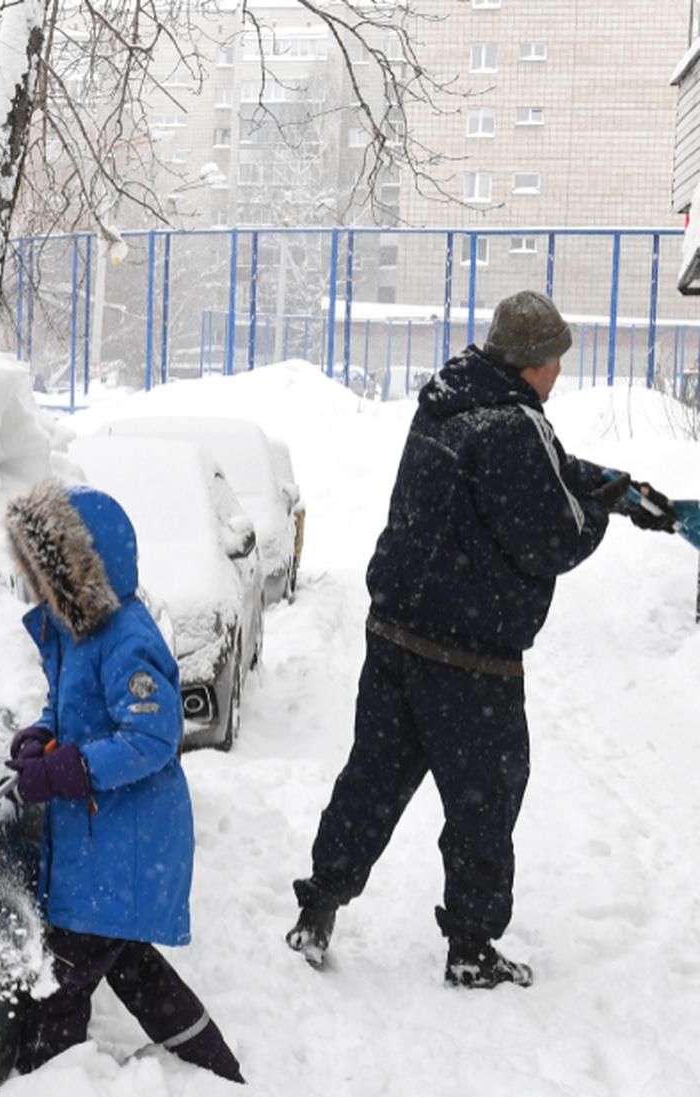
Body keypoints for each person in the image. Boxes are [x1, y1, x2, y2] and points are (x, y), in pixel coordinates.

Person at [285, 290, 677, 988]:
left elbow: (538, 471)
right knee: (484, 802)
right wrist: (599, 513)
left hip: (396, 634)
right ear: (531, 362)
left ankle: (316, 907)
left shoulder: (454, 401)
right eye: (554, 360)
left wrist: (609, 485)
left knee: (373, 779)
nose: (559, 372)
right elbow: (553, 536)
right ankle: (470, 948)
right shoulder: (510, 428)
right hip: (468, 657)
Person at [3, 479, 244, 1082]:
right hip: (99, 842)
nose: (32, 582)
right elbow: (70, 708)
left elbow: (152, 737)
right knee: (130, 964)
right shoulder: (70, 631)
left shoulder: (126, 638)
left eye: (41, 568)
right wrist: (43, 735)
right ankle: (214, 1068)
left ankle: (46, 1089)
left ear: (73, 570)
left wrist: (72, 768)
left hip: (126, 840)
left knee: (60, 977)